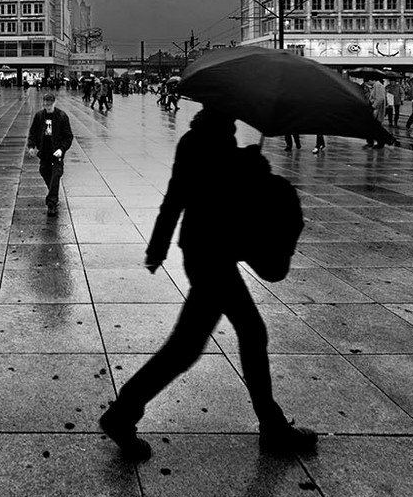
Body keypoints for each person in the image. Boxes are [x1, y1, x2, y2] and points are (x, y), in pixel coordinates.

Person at [99, 109, 316, 462]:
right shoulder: (207, 142)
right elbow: (204, 192)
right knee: (194, 346)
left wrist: (158, 246)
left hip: (207, 251)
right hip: (210, 253)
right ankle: (122, 414)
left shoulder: (202, 138)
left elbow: (177, 197)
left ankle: (124, 413)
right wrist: (249, 166)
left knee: (237, 335)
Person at [26, 91, 73, 216]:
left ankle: (51, 203)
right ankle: (54, 194)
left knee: (56, 175)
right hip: (44, 151)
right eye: (45, 105)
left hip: (56, 152)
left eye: (49, 105)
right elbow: (33, 132)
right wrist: (31, 146)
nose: (47, 107)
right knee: (44, 171)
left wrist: (62, 149)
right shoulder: (39, 116)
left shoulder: (62, 117)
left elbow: (68, 136)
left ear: (54, 103)